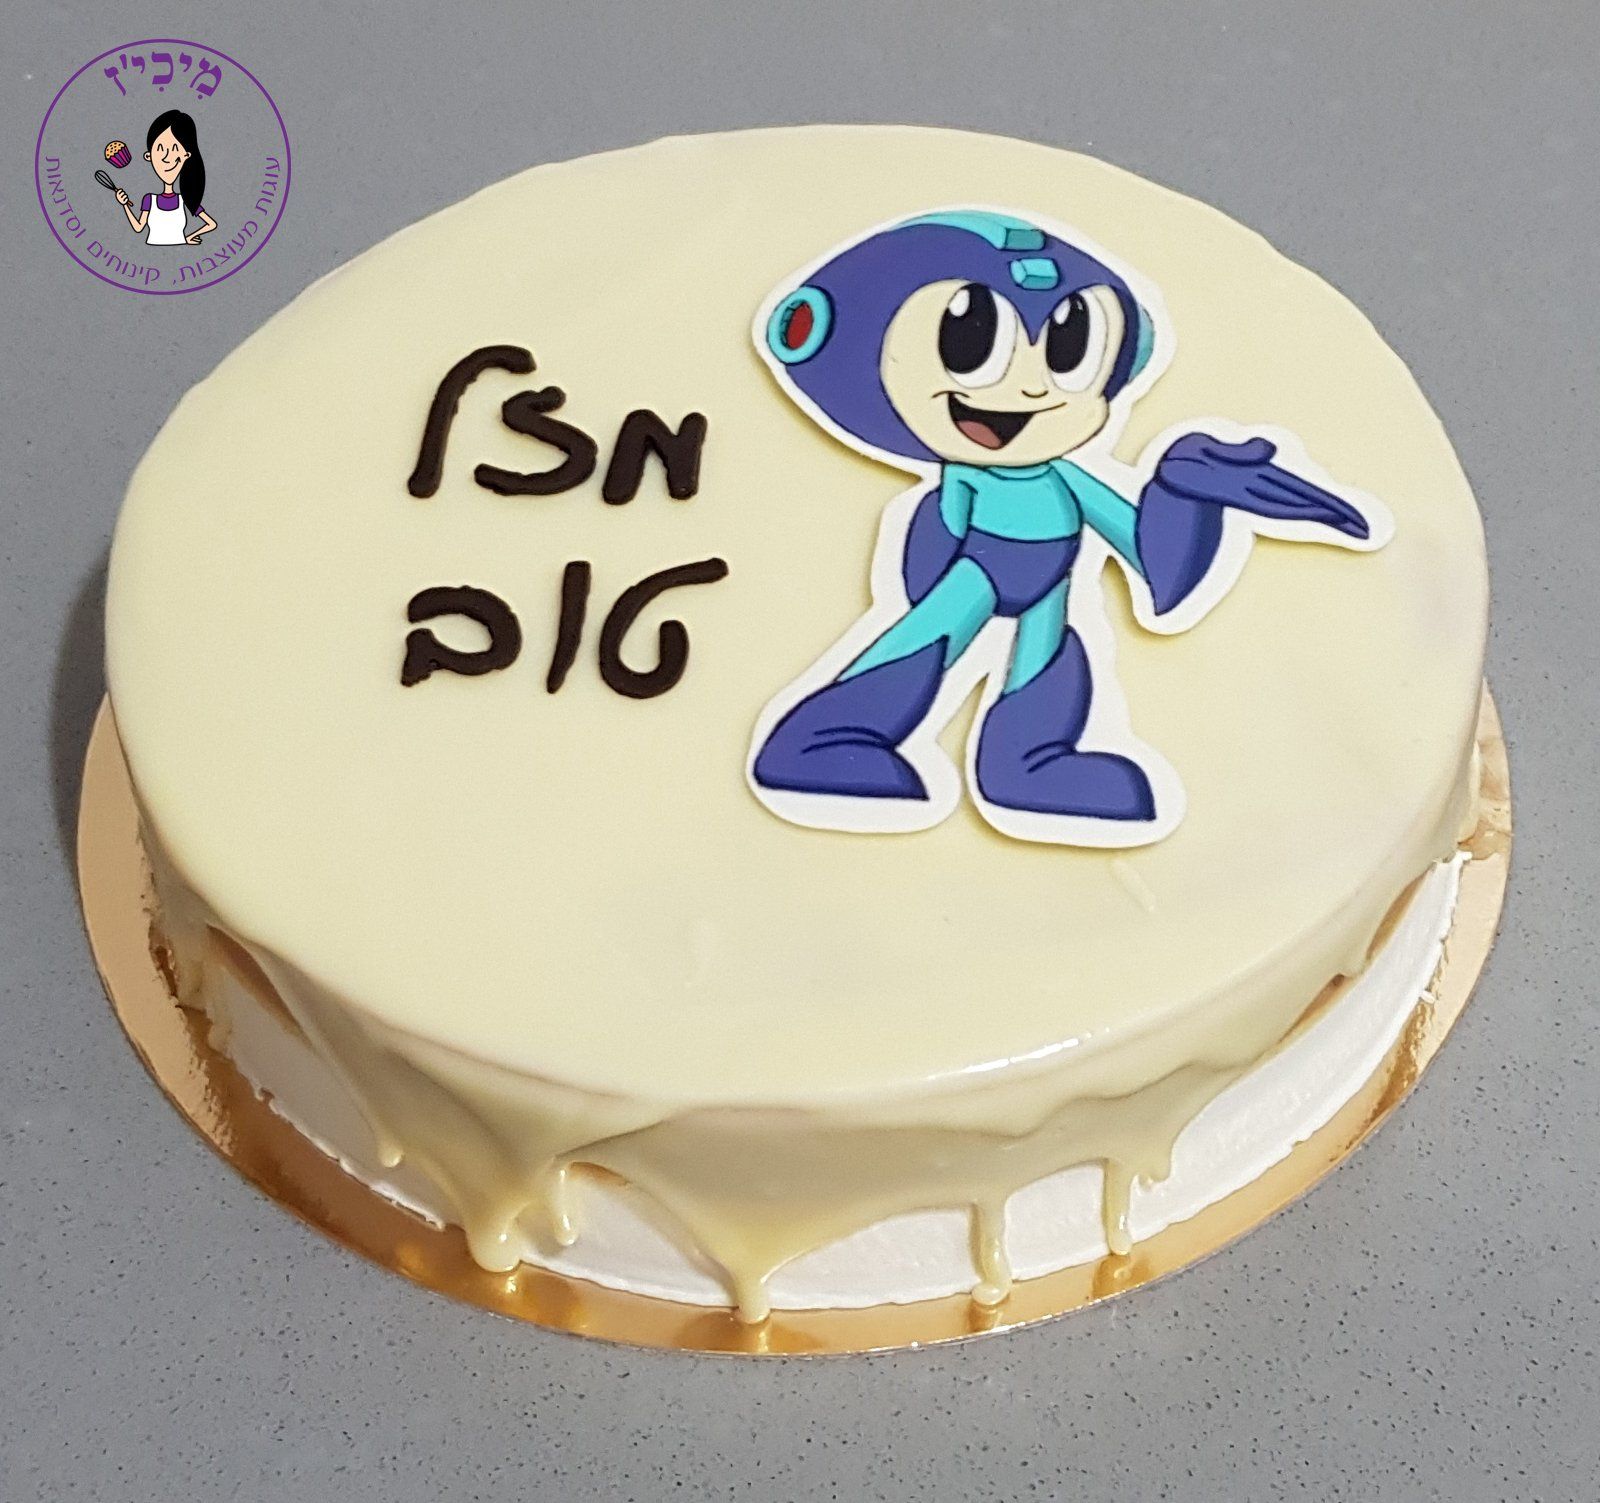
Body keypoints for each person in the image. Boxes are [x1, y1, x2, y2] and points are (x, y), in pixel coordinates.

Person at [114, 110, 217, 247]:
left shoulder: (186, 199)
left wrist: (188, 237)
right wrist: (124, 204)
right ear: (149, 156)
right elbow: (138, 228)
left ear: (186, 156)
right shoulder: (149, 200)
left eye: (175, 149)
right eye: (160, 149)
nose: (167, 158)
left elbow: (211, 224)